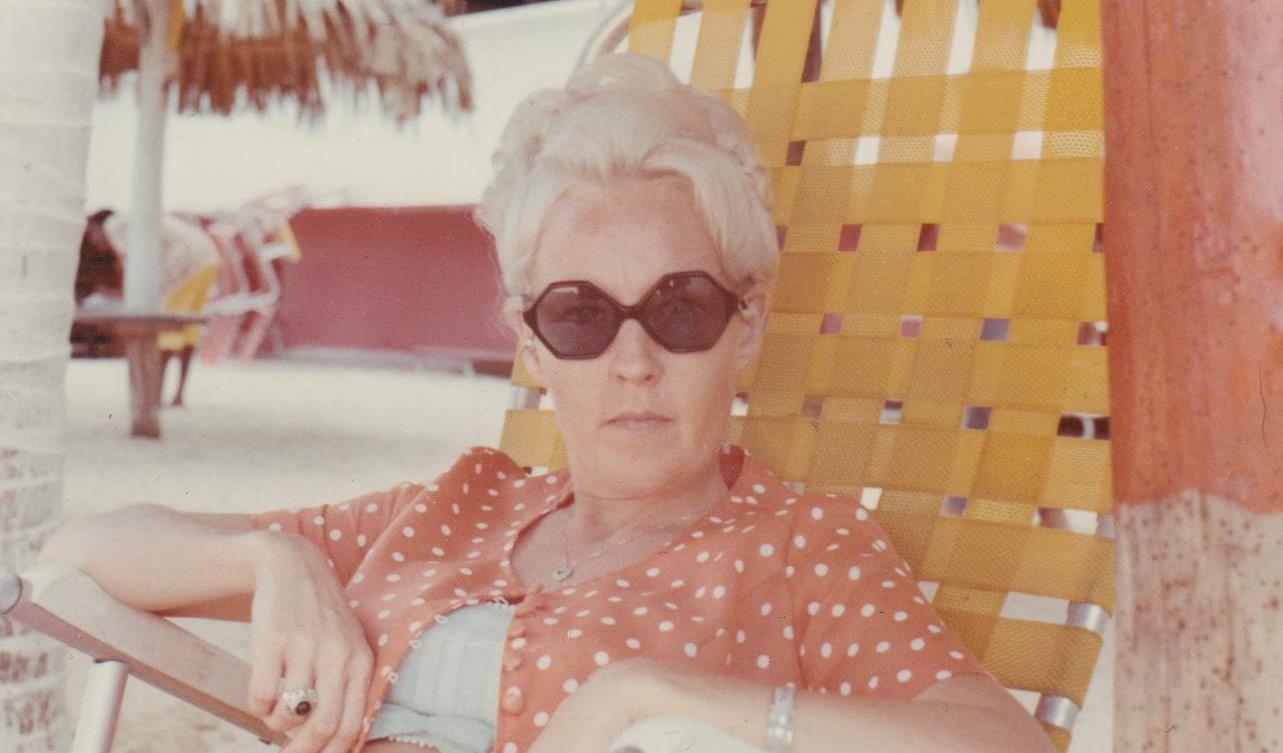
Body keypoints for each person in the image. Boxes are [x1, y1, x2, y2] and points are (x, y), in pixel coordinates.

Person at [39, 54, 1052, 753]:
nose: (632, 361)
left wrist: (651, 693)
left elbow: (998, 741)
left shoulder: (794, 550)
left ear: (744, 326)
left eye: (681, 308)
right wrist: (271, 560)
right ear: (530, 343)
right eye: (579, 316)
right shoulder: (457, 507)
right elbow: (78, 553)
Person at [72, 208, 218, 405]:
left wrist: (120, 293)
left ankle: (155, 393)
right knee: (188, 329)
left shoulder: (112, 226)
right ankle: (178, 393)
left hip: (186, 261)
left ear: (98, 226)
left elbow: (128, 265)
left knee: (166, 327)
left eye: (91, 234)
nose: (94, 242)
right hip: (207, 256)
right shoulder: (132, 220)